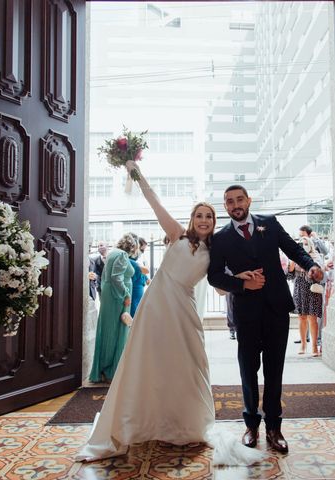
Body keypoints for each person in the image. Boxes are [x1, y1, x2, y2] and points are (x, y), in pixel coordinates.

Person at [77, 162, 264, 465]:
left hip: (184, 311)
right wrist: (136, 173)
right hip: (155, 307)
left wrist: (244, 278)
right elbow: (154, 201)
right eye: (199, 215)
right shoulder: (177, 234)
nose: (204, 220)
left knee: (189, 365)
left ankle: (184, 423)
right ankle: (146, 420)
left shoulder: (216, 252)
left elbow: (219, 287)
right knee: (147, 362)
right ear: (192, 220)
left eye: (209, 216)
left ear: (214, 222)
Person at [207, 185, 323, 454]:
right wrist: (242, 285)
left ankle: (274, 427)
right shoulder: (221, 238)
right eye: (229, 202)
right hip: (245, 313)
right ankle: (251, 425)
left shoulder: (269, 223)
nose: (235, 205)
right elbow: (214, 276)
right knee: (248, 370)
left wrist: (311, 265)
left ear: (248, 200)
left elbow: (293, 249)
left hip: (276, 309)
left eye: (239, 199)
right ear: (225, 206)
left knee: (274, 369)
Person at [88, 234, 137, 383]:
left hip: (110, 295)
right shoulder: (122, 255)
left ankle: (104, 369)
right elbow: (117, 277)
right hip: (118, 297)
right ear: (132, 247)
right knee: (116, 331)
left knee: (108, 330)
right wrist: (126, 294)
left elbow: (106, 277)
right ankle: (111, 370)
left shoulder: (112, 253)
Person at [291, 236, 325, 357]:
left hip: (312, 290)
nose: (303, 246)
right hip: (299, 289)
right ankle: (303, 344)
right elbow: (289, 276)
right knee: (301, 317)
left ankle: (314, 346)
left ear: (310, 244)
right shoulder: (295, 258)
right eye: (301, 244)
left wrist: (310, 267)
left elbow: (321, 275)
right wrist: (292, 265)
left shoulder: (316, 257)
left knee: (312, 318)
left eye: (305, 244)